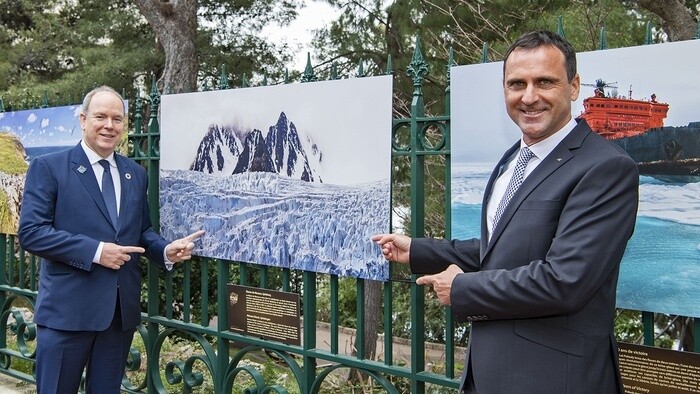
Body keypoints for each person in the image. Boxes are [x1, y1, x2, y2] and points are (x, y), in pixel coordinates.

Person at [373, 30, 639, 393]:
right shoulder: (511, 160)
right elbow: (502, 248)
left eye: (545, 82)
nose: (529, 97)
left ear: (574, 86)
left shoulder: (606, 168)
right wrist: (418, 250)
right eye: (517, 84)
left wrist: (462, 288)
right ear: (505, 91)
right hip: (488, 375)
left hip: (554, 381)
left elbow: (565, 281)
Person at [18, 86, 205, 393]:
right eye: (101, 116)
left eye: (117, 119)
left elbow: (141, 230)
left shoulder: (135, 173)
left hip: (118, 316)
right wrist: (96, 251)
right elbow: (32, 233)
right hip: (67, 314)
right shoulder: (49, 167)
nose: (109, 125)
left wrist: (166, 251)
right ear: (82, 119)